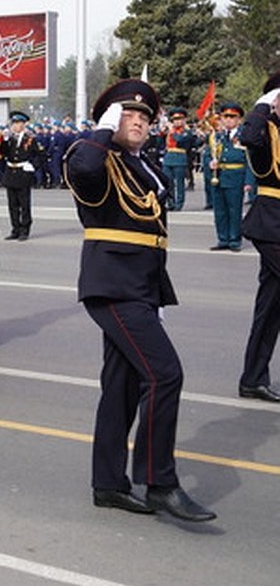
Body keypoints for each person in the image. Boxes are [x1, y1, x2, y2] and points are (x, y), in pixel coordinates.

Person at [64, 78, 215, 521]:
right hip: (112, 286)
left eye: (146, 117)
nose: (140, 122)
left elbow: (153, 232)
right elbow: (87, 170)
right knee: (165, 374)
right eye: (129, 114)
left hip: (140, 286)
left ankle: (108, 483)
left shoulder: (140, 166)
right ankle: (159, 482)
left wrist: (157, 296)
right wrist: (103, 130)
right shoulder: (91, 156)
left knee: (123, 385)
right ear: (111, 118)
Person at [237, 77, 280, 403]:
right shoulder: (266, 129)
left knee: (270, 309)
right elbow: (247, 136)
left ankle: (252, 379)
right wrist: (262, 105)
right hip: (271, 222)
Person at [208, 102, 247, 251]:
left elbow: (250, 159)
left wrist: (249, 181)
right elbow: (211, 155)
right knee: (220, 211)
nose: (229, 120)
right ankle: (223, 238)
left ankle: (234, 240)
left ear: (239, 119)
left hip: (236, 176)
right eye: (226, 117)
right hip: (219, 177)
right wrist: (211, 164)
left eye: (232, 117)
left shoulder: (244, 135)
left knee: (234, 210)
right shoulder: (218, 136)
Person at [0, 111, 41, 240]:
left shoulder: (30, 139)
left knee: (24, 204)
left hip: (23, 173)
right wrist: (3, 141)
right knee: (12, 205)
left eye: (18, 123)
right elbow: (2, 153)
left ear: (24, 124)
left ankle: (24, 230)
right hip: (10, 173)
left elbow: (41, 155)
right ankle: (15, 229)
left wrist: (33, 166)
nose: (15, 126)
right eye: (13, 123)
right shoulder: (9, 138)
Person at [161, 107, 195, 211]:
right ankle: (170, 202)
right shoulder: (170, 131)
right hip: (168, 158)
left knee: (180, 183)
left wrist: (171, 131)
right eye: (175, 120)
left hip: (179, 158)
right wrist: (162, 132)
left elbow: (179, 140)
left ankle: (179, 204)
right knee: (168, 182)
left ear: (184, 120)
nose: (177, 122)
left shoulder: (187, 132)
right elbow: (159, 142)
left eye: (180, 119)